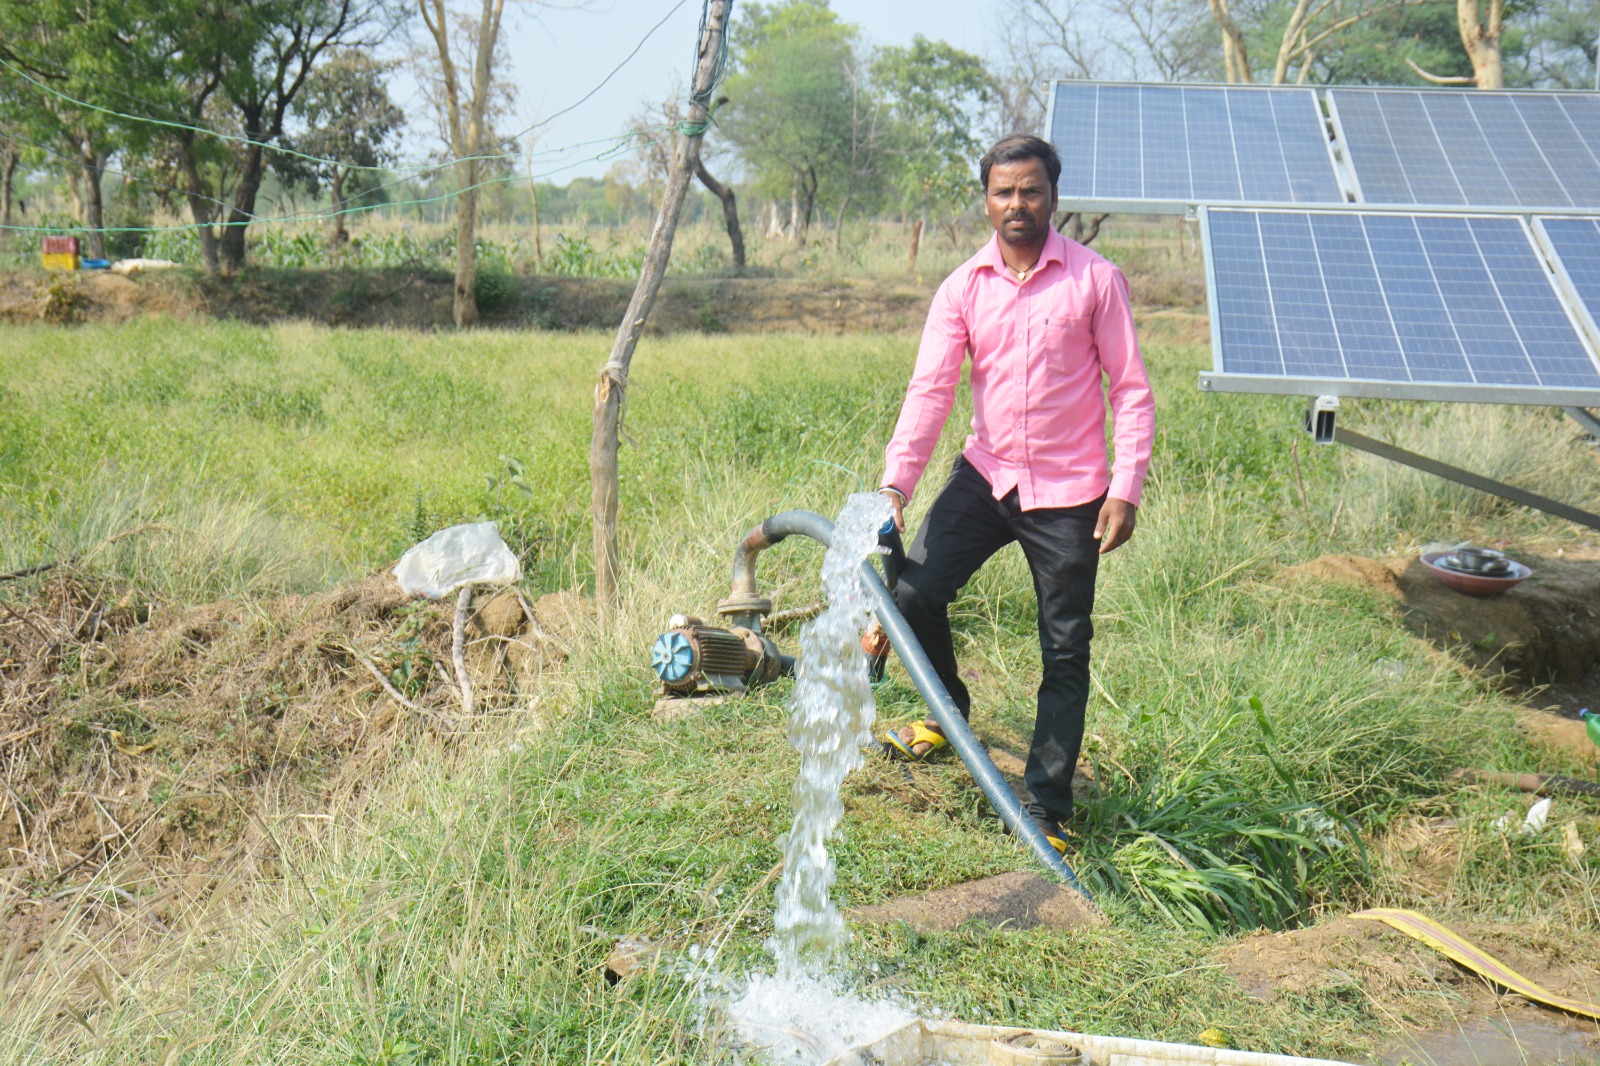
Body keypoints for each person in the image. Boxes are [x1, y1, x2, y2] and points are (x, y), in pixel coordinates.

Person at [877, 134, 1155, 855]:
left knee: (1065, 648)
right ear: (987, 200)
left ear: (1053, 198)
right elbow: (931, 391)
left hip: (1070, 492)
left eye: (1031, 191)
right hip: (987, 473)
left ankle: (1047, 808)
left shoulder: (1095, 280)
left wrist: (1125, 487)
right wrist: (896, 484)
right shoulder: (963, 287)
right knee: (911, 595)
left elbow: (1130, 392)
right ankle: (949, 714)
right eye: (1004, 192)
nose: (1017, 205)